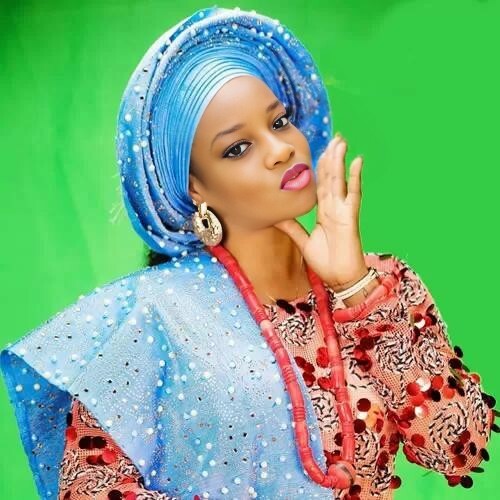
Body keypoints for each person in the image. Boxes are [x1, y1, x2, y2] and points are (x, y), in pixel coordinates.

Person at [0, 5, 497, 500]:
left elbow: (459, 448)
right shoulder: (151, 316)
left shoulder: (381, 287)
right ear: (195, 188)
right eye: (237, 148)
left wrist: (354, 289)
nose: (281, 149)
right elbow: (89, 489)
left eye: (279, 122)